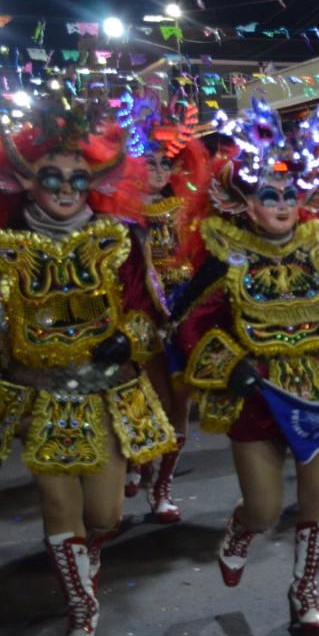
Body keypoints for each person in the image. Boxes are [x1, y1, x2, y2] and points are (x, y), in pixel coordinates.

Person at [173, 100, 319, 636]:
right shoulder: (227, 257)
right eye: (271, 195)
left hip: (318, 388)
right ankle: (242, 530)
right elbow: (188, 325)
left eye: (291, 194)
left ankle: (304, 590)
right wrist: (232, 366)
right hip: (257, 395)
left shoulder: (318, 249)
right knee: (266, 507)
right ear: (246, 204)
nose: (284, 204)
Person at [0, 94, 176, 636]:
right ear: (26, 181)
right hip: (38, 394)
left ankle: (89, 551)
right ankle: (81, 609)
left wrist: (130, 338)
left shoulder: (120, 240)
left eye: (77, 177)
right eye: (51, 176)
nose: (65, 188)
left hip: (105, 392)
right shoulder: (3, 246)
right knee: (58, 506)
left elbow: (148, 314)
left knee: (105, 515)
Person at [124, 95, 210, 523]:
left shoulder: (185, 211)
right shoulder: (118, 217)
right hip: (133, 319)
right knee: (135, 398)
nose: (158, 170)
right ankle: (132, 461)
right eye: (149, 162)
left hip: (179, 317)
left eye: (165, 163)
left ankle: (162, 488)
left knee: (178, 401)